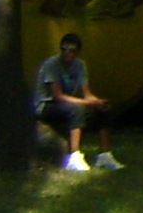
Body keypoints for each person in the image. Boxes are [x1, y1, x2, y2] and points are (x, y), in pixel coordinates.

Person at [36, 33, 120, 173]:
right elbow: (58, 96)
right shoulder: (52, 64)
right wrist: (85, 103)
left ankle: (104, 155)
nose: (67, 53)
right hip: (47, 104)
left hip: (68, 103)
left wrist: (97, 102)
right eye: (64, 49)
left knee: (102, 109)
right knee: (77, 109)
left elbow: (87, 94)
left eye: (72, 50)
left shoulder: (80, 65)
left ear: (77, 52)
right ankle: (74, 156)